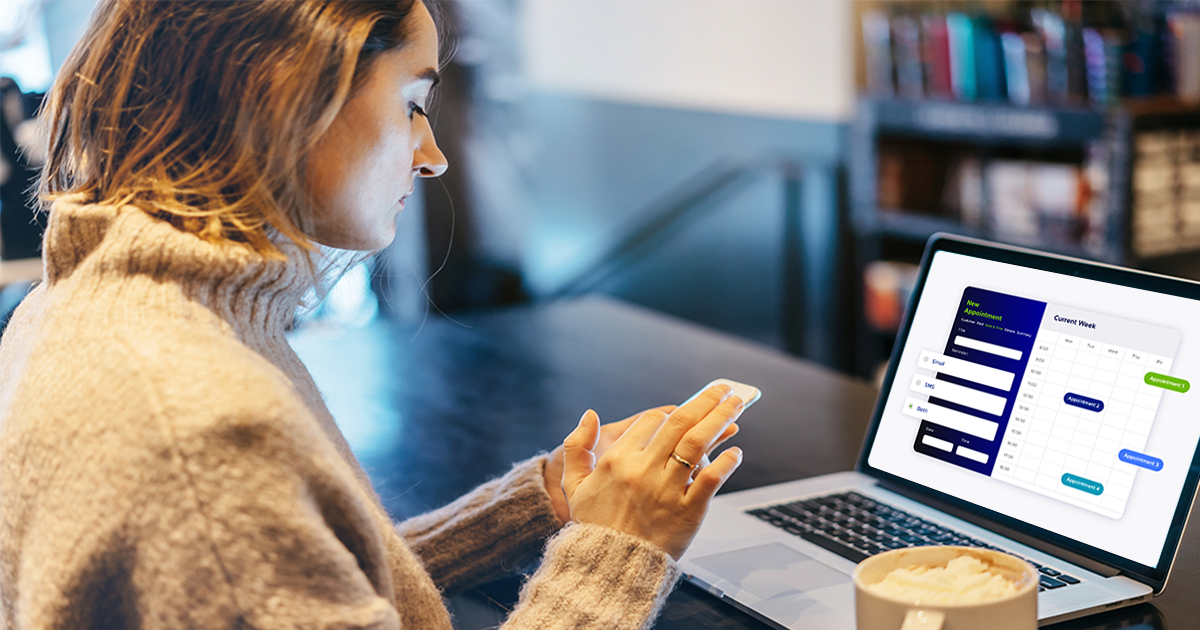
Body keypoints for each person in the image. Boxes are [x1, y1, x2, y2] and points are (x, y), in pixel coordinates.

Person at [0, 1, 747, 628]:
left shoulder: (85, 310)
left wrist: (537, 503)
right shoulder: (195, 430)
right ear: (285, 91)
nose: (433, 156)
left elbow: (286, 581)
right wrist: (616, 548)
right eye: (413, 104)